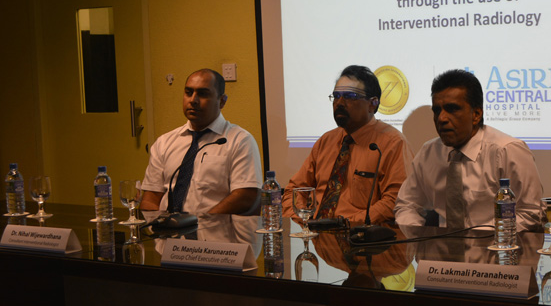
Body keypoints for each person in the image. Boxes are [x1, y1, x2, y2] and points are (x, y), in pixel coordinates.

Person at [394, 69, 544, 231]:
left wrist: (481, 236)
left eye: (452, 109)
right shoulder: (428, 153)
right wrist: (418, 235)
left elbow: (531, 212)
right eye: (437, 110)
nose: (441, 118)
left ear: (476, 114)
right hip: (441, 245)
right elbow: (407, 204)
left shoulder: (506, 151)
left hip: (496, 244)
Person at [282, 65, 412, 225]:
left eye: (350, 96)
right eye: (336, 96)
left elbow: (394, 201)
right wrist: (303, 221)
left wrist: (346, 225)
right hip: (316, 233)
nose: (339, 103)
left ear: (373, 103)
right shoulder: (326, 141)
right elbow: (294, 191)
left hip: (359, 235)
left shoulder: (392, 143)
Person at [141, 69, 262, 215]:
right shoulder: (164, 142)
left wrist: (203, 222)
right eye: (188, 92)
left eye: (203, 94)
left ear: (222, 101)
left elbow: (245, 196)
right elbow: (151, 198)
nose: (193, 100)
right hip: (167, 227)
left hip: (214, 227)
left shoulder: (239, 140)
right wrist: (155, 224)